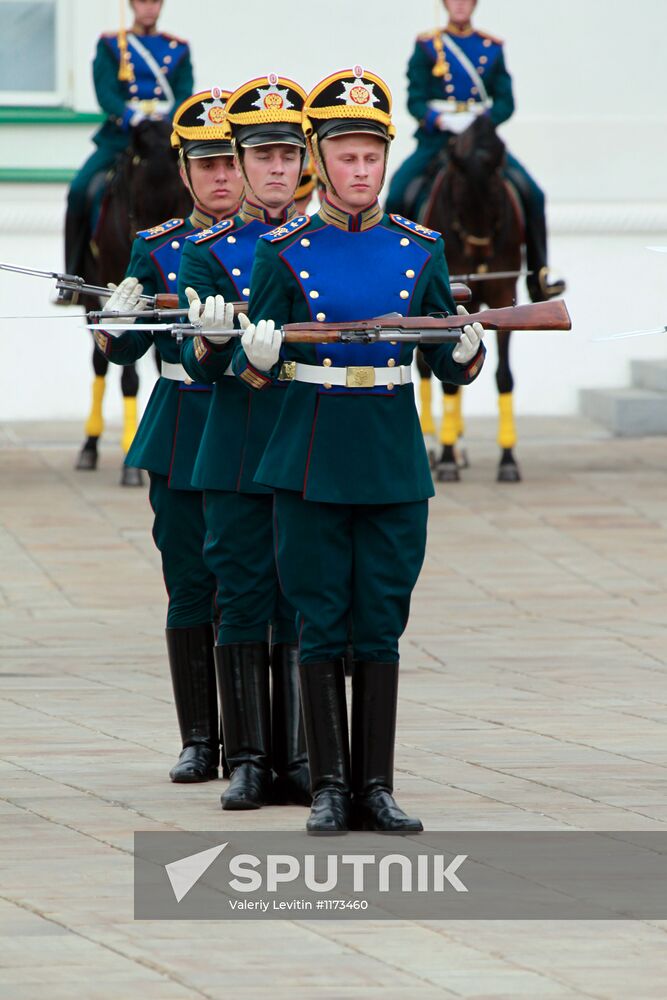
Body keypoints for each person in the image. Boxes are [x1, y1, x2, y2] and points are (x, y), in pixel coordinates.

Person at [233, 67, 486, 833]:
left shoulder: (419, 248)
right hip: (309, 451)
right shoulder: (283, 250)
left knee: (379, 620)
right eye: (345, 156)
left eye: (371, 156)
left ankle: (374, 787)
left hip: (388, 453)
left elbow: (442, 360)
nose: (360, 170)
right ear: (319, 159)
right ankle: (328, 788)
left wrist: (467, 350)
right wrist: (255, 352)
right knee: (318, 616)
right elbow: (253, 373)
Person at [92, 89, 244, 783]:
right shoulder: (156, 247)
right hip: (183, 424)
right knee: (189, 584)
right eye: (207, 165)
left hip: (252, 420)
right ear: (183, 172)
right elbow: (126, 351)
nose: (222, 177)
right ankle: (200, 740)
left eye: (230, 163)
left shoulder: (282, 245)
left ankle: (255, 741)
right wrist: (115, 321)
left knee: (254, 590)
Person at [178, 76, 311, 811]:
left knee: (300, 597)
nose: (275, 169)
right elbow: (200, 360)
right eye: (261, 156)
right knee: (240, 596)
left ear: (304, 162)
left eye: (287, 155)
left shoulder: (325, 243)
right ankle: (250, 760)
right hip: (234, 442)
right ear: (242, 161)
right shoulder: (206, 251)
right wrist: (216, 344)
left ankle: (299, 757)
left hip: (305, 438)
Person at [385, 0, 564, 301]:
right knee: (399, 193)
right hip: (438, 140)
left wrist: (480, 121)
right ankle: (394, 275)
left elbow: (505, 102)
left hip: (480, 140)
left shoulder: (491, 47)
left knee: (533, 194)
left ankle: (539, 276)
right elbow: (415, 99)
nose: (460, 5)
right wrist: (441, 119)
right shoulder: (428, 45)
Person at [64, 0, 193, 283]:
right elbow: (105, 92)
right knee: (79, 190)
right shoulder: (111, 46)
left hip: (164, 138)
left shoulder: (178, 48)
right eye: (143, 1)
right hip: (122, 137)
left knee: (198, 187)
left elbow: (185, 91)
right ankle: (73, 274)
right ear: (132, 5)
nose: (149, 8)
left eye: (155, 2)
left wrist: (166, 118)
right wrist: (130, 116)